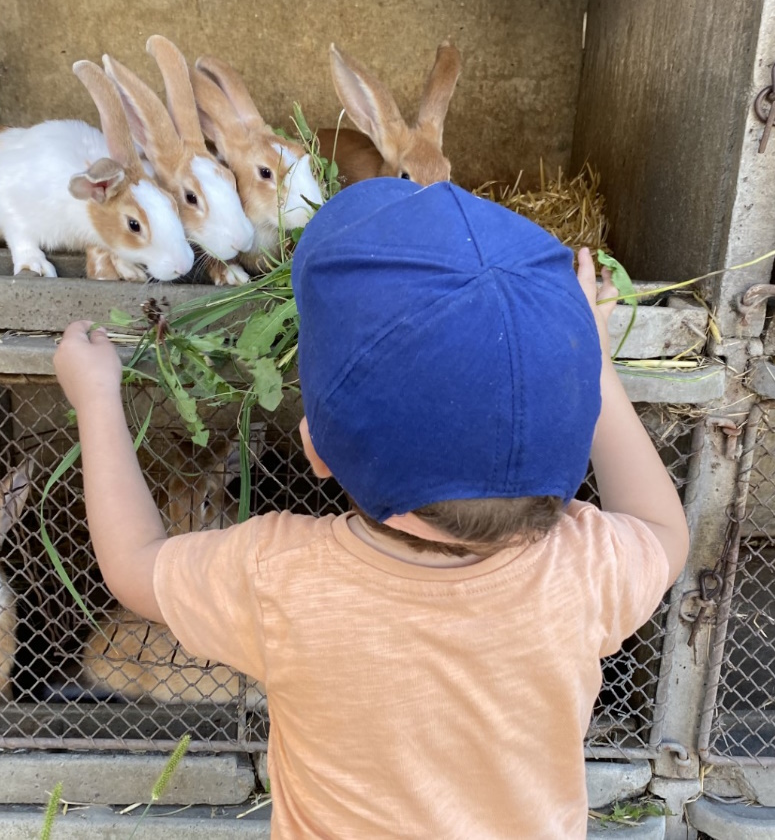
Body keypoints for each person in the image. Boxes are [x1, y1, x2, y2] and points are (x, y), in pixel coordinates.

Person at [54, 178, 690, 838]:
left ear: (315, 453)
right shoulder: (583, 573)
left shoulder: (283, 579)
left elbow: (132, 565)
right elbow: (662, 529)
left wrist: (97, 402)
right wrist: (597, 365)